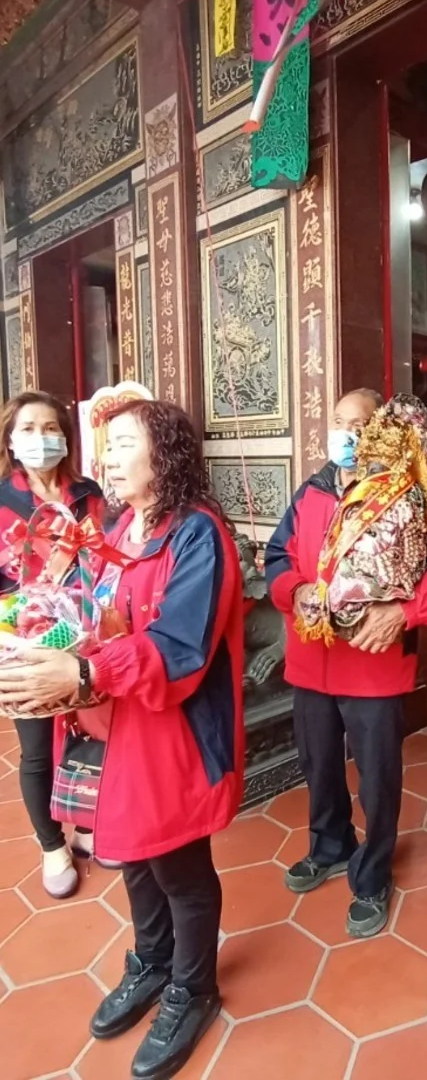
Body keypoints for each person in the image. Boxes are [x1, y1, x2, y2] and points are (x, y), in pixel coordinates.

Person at [0, 400, 244, 1080]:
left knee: (178, 867)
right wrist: (50, 633)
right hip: (118, 722)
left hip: (172, 731)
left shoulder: (199, 535)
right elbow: (97, 612)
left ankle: (193, 987)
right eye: (105, 446)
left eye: (124, 443)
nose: (106, 459)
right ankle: (154, 960)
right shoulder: (118, 528)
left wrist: (85, 671)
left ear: (165, 453)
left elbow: (180, 647)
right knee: (132, 855)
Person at [266, 389, 427, 938]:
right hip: (312, 659)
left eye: (359, 424)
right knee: (318, 764)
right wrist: (295, 591)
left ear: (381, 429)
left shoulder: (408, 493)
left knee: (377, 777)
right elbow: (278, 557)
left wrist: (406, 611)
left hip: (374, 663)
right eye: (339, 422)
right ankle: (330, 845)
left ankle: (374, 871)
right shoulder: (312, 490)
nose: (348, 434)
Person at [0, 391, 104, 899]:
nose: (41, 439)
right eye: (29, 429)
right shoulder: (2, 500)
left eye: (51, 429)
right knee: (38, 749)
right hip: (25, 643)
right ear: (10, 441)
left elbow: (107, 554)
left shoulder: (87, 494)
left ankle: (85, 825)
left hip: (85, 636)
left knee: (93, 731)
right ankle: (51, 845)